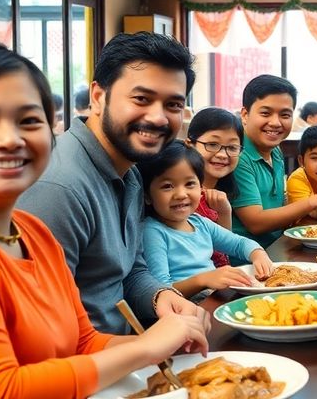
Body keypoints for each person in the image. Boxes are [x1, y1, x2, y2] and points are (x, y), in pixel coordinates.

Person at [0, 40, 208, 397]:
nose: (11, 140)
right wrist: (145, 348)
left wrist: (165, 333)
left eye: (30, 120)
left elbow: (83, 339)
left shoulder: (31, 232)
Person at [18, 32, 208, 335]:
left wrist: (162, 296)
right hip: (86, 372)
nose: (158, 118)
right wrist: (142, 350)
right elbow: (37, 324)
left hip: (123, 354)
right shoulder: (59, 187)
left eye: (173, 104)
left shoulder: (129, 172)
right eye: (141, 99)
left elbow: (128, 269)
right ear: (98, 97)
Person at [139, 141, 273, 300]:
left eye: (190, 184)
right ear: (147, 195)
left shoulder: (199, 223)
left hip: (214, 299)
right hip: (186, 311)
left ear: (201, 187)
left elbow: (239, 244)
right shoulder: (153, 231)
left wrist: (258, 254)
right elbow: (161, 291)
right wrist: (203, 280)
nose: (181, 194)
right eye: (167, 186)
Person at [231, 75, 317, 250]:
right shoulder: (238, 156)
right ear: (245, 115)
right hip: (249, 259)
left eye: (285, 115)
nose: (275, 123)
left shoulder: (275, 151)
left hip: (280, 245)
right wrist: (314, 202)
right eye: (265, 113)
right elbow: (256, 223)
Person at [186, 107, 243, 268]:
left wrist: (224, 213)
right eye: (212, 144)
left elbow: (223, 254)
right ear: (190, 144)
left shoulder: (220, 195)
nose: (222, 154)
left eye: (232, 148)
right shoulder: (183, 197)